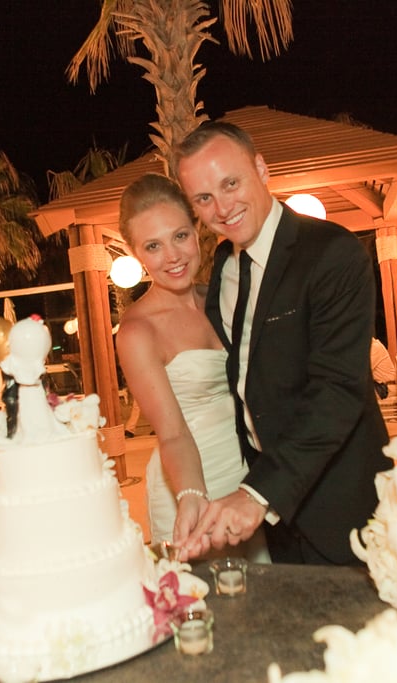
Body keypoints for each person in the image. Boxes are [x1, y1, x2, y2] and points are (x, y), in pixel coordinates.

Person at [172, 121, 389, 565]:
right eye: (203, 198)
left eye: (230, 183)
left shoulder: (332, 253)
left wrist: (258, 494)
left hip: (341, 504)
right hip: (275, 517)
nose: (222, 207)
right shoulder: (222, 268)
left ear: (261, 168)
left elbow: (337, 391)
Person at [115, 173, 268, 562]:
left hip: (250, 479)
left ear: (196, 229)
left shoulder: (224, 294)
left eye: (179, 236)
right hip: (188, 483)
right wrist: (192, 495)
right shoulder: (137, 330)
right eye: (153, 246)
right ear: (135, 253)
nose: (173, 256)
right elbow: (172, 432)